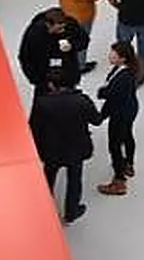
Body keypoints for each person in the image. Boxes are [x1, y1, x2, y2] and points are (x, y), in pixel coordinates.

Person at [28, 66, 100, 224]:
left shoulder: (42, 103)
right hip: (76, 148)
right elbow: (96, 119)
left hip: (51, 149)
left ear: (51, 85)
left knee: (48, 176)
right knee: (75, 179)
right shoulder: (82, 100)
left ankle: (44, 207)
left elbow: (34, 127)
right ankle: (71, 212)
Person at [95, 40, 141, 196]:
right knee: (127, 135)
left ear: (122, 58)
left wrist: (101, 96)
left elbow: (112, 96)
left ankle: (119, 180)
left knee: (114, 144)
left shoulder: (123, 77)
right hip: (129, 108)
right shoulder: (124, 70)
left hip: (120, 113)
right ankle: (129, 163)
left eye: (113, 54)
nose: (109, 55)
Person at [18, 7, 89, 90]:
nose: (62, 31)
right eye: (59, 28)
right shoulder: (34, 35)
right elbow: (26, 59)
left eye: (63, 27)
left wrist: (72, 46)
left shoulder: (70, 24)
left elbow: (84, 40)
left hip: (68, 76)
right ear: (48, 24)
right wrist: (41, 82)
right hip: (45, 79)